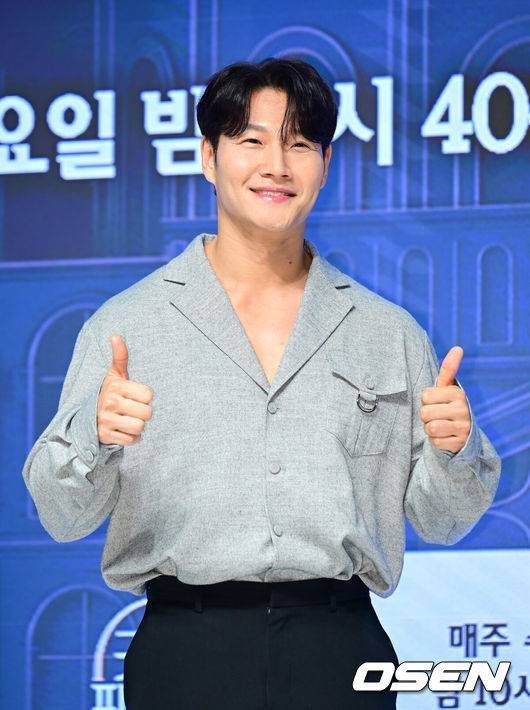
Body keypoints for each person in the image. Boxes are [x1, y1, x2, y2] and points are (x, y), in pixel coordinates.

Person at [22, 58, 502, 709]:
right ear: (208, 156)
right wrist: (93, 435)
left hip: (340, 648)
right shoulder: (127, 325)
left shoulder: (386, 332)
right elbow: (60, 514)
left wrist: (455, 450)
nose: (276, 165)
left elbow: (442, 521)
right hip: (184, 652)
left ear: (325, 164)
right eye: (251, 140)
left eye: (299, 144)